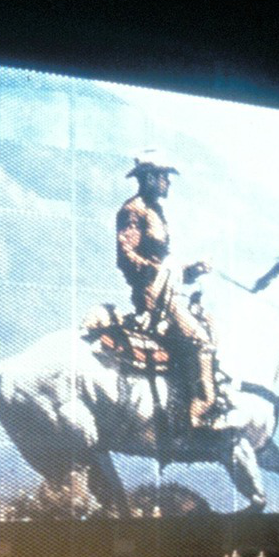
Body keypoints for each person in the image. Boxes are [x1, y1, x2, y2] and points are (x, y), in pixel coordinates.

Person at [115, 149, 223, 431]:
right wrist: (161, 271)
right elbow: (126, 257)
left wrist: (189, 270)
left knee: (210, 325)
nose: (168, 183)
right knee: (199, 339)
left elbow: (162, 263)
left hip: (168, 290)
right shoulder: (133, 210)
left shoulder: (155, 211)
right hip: (153, 297)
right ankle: (200, 413)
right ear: (150, 177)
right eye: (164, 177)